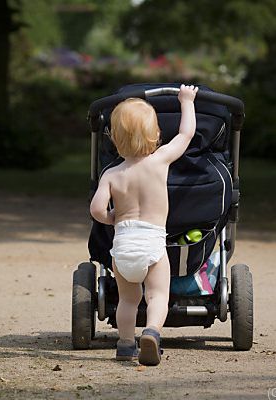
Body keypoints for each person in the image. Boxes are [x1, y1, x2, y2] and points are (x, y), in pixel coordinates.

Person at [89, 85, 198, 365]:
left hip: (123, 244)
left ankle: (125, 344)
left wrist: (113, 218)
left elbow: (97, 209)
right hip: (152, 243)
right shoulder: (159, 161)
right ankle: (152, 332)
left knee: (128, 300)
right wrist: (186, 101)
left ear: (113, 138)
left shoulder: (111, 174)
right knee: (157, 294)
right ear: (157, 135)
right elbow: (186, 134)